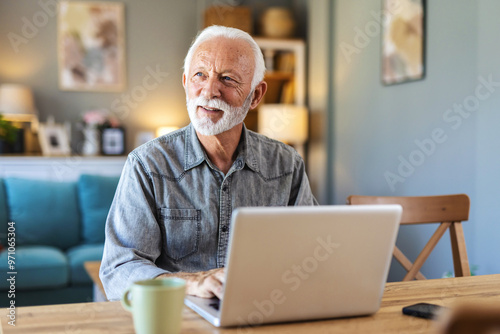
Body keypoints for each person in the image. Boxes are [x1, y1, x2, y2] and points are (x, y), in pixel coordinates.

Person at [99, 25, 317, 301]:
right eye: (199, 75)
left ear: (256, 95)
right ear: (185, 82)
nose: (210, 90)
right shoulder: (147, 165)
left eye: (227, 79)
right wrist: (191, 283)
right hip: (178, 318)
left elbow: (311, 256)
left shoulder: (287, 165)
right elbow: (119, 270)